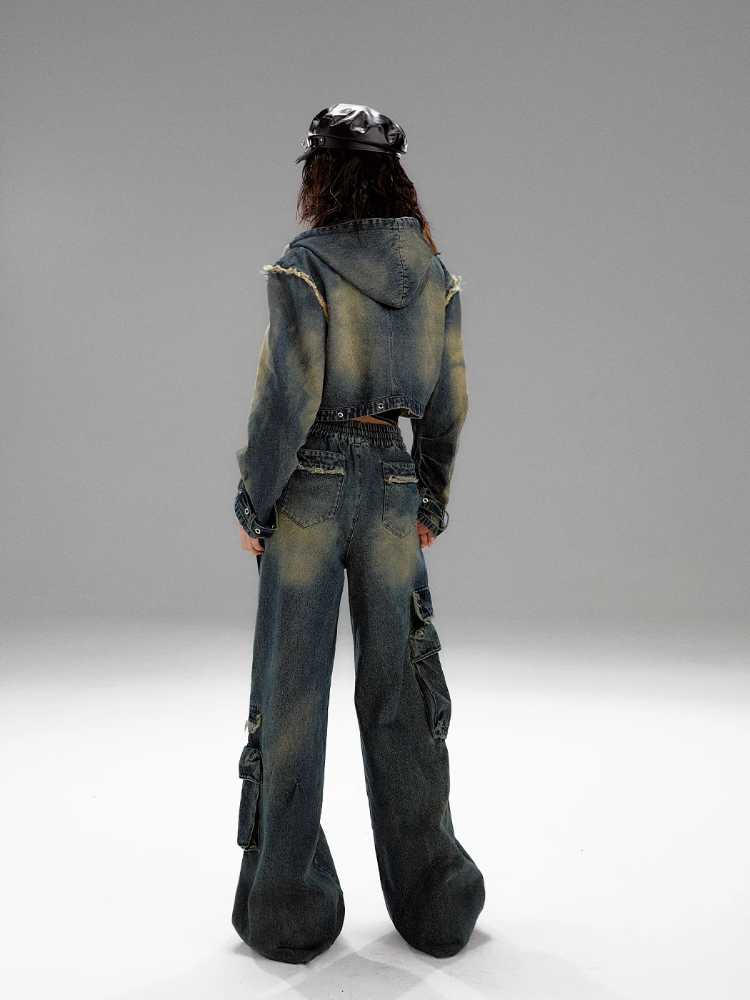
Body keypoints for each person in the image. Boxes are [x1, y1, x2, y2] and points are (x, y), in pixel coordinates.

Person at [231, 103, 485, 964]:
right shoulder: (436, 274)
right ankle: (438, 902)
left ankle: (288, 911)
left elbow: (285, 400)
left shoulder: (304, 266)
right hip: (392, 485)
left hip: (308, 487)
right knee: (404, 692)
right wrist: (429, 499)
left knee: (292, 699)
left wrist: (255, 503)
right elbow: (450, 402)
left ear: (321, 175)